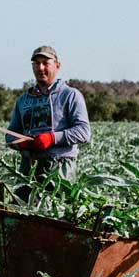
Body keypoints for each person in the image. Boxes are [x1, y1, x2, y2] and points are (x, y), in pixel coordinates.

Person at [5, 45, 90, 187]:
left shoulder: (70, 95)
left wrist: (52, 138)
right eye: (36, 63)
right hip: (28, 167)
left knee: (59, 208)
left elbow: (83, 132)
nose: (40, 68)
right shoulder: (23, 100)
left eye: (45, 63)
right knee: (21, 208)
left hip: (59, 167)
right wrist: (20, 142)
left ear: (57, 66)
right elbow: (9, 135)